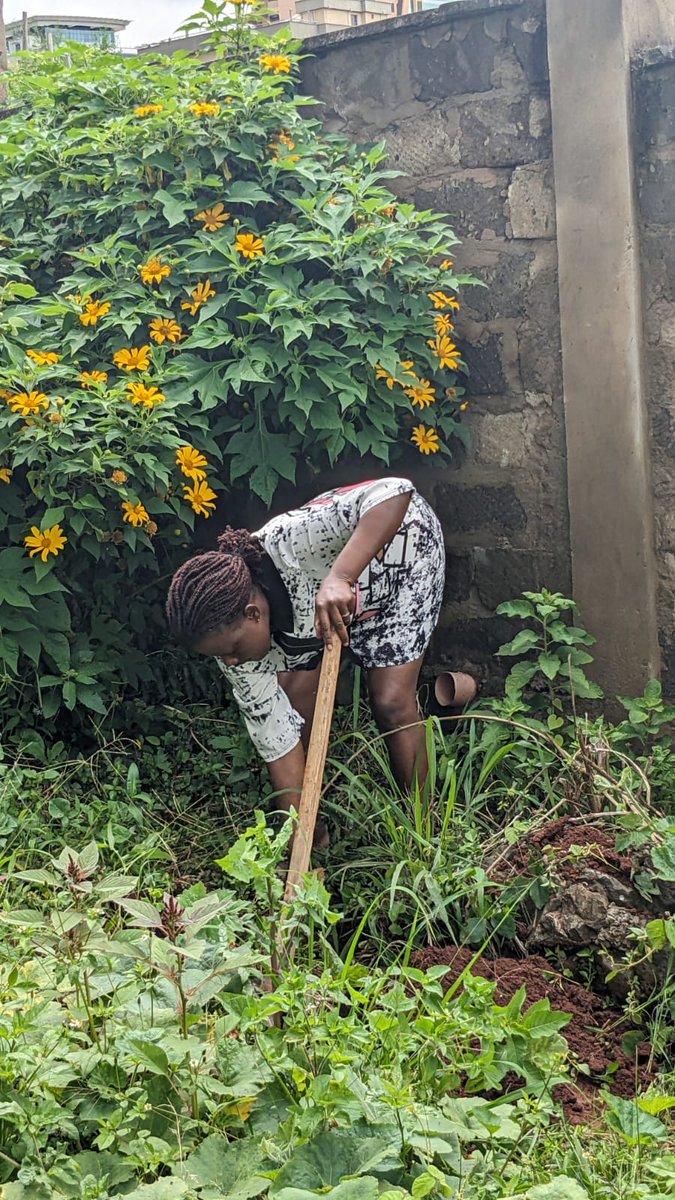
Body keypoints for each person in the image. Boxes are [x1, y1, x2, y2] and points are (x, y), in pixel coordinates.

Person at [165, 477, 445, 816]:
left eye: (233, 650)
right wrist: (298, 841)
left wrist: (341, 577)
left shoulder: (292, 541)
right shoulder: (232, 648)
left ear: (253, 614)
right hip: (321, 608)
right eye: (222, 657)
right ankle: (316, 831)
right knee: (296, 707)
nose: (232, 662)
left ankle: (425, 822)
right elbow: (277, 742)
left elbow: (395, 491)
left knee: (390, 700)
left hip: (403, 552)